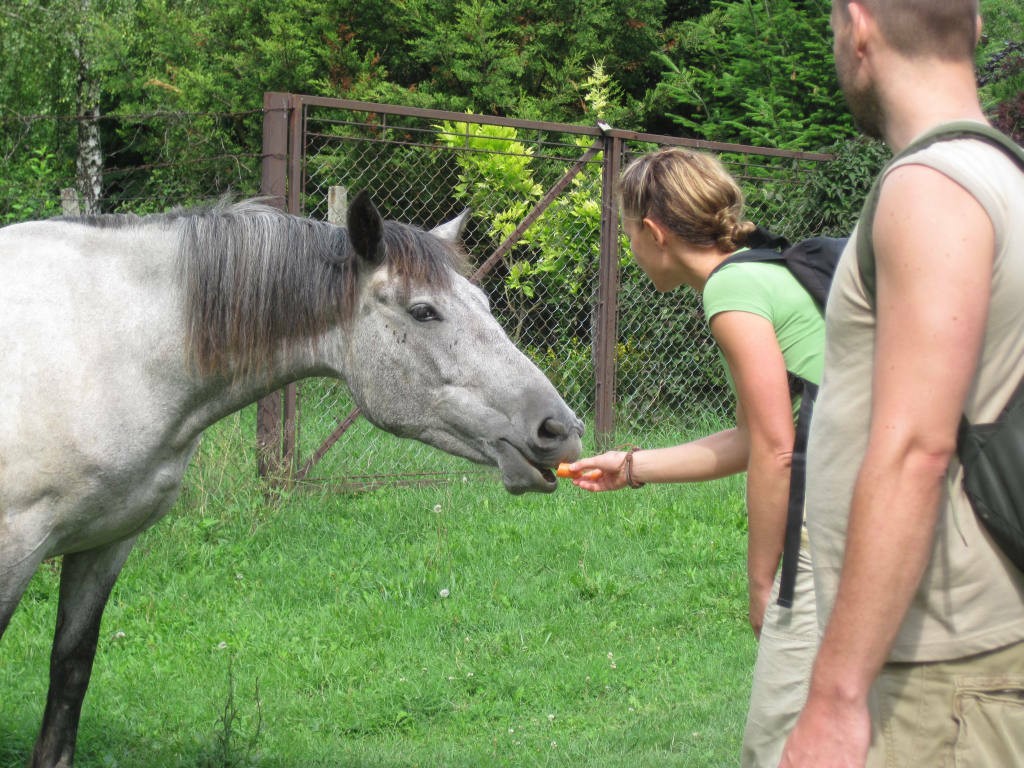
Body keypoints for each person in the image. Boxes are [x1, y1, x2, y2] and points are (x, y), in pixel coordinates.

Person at [779, 2, 1024, 767]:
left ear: (859, 26)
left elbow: (917, 445)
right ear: (976, 27)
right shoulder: (1003, 172)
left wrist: (836, 697)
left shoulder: (932, 188)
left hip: (944, 675)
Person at [563, 146, 824, 767]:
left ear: (653, 232)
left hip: (837, 529)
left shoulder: (731, 291)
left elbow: (775, 449)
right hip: (896, 508)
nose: (629, 246)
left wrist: (762, 582)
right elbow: (749, 438)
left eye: (626, 230)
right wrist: (628, 466)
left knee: (781, 746)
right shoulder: (766, 268)